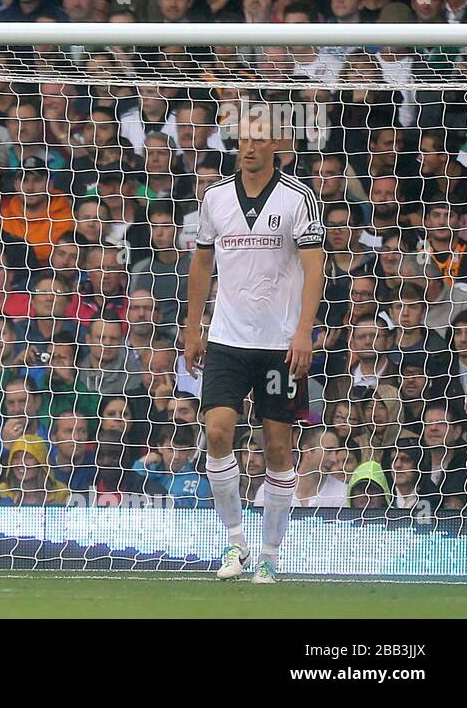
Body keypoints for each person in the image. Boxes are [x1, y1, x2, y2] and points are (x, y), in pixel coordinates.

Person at [185, 110, 325, 584]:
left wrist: (304, 330)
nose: (248, 147)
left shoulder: (297, 197)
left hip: (278, 346)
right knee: (218, 434)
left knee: (278, 447)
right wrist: (192, 326)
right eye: (243, 139)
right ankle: (235, 542)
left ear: (275, 145)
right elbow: (202, 262)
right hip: (226, 340)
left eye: (258, 140)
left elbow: (314, 266)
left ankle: (270, 551)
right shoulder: (215, 197)